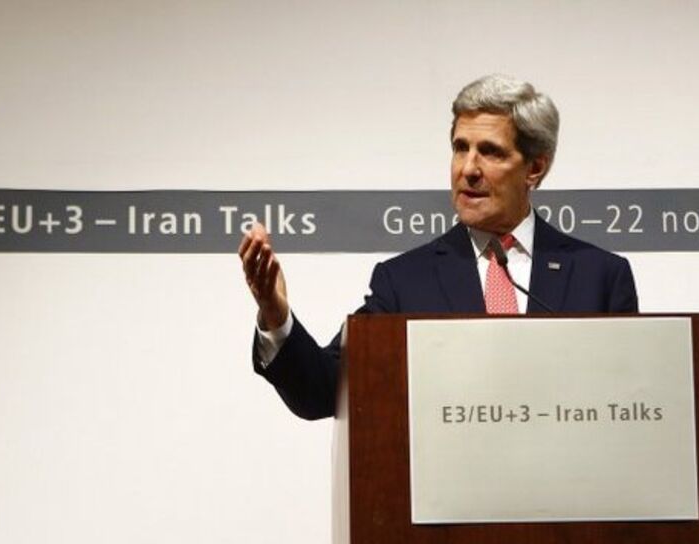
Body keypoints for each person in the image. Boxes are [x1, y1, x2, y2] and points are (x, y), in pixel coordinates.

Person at [238, 74, 638, 420]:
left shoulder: (600, 276)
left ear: (535, 168)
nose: (468, 169)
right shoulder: (404, 281)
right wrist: (276, 315)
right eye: (460, 147)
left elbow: (634, 408)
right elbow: (321, 392)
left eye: (490, 152)